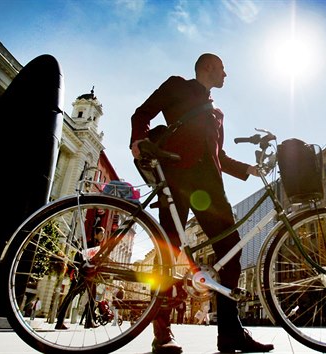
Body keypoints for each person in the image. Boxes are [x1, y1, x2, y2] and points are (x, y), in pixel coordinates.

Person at [130, 53, 273, 354]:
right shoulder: (176, 86)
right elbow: (142, 114)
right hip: (176, 179)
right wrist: (138, 140)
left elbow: (218, 156)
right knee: (166, 253)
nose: (226, 74)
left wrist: (247, 169)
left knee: (231, 250)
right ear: (208, 67)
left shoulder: (216, 112)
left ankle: (230, 334)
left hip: (209, 188)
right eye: (222, 68)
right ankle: (162, 333)